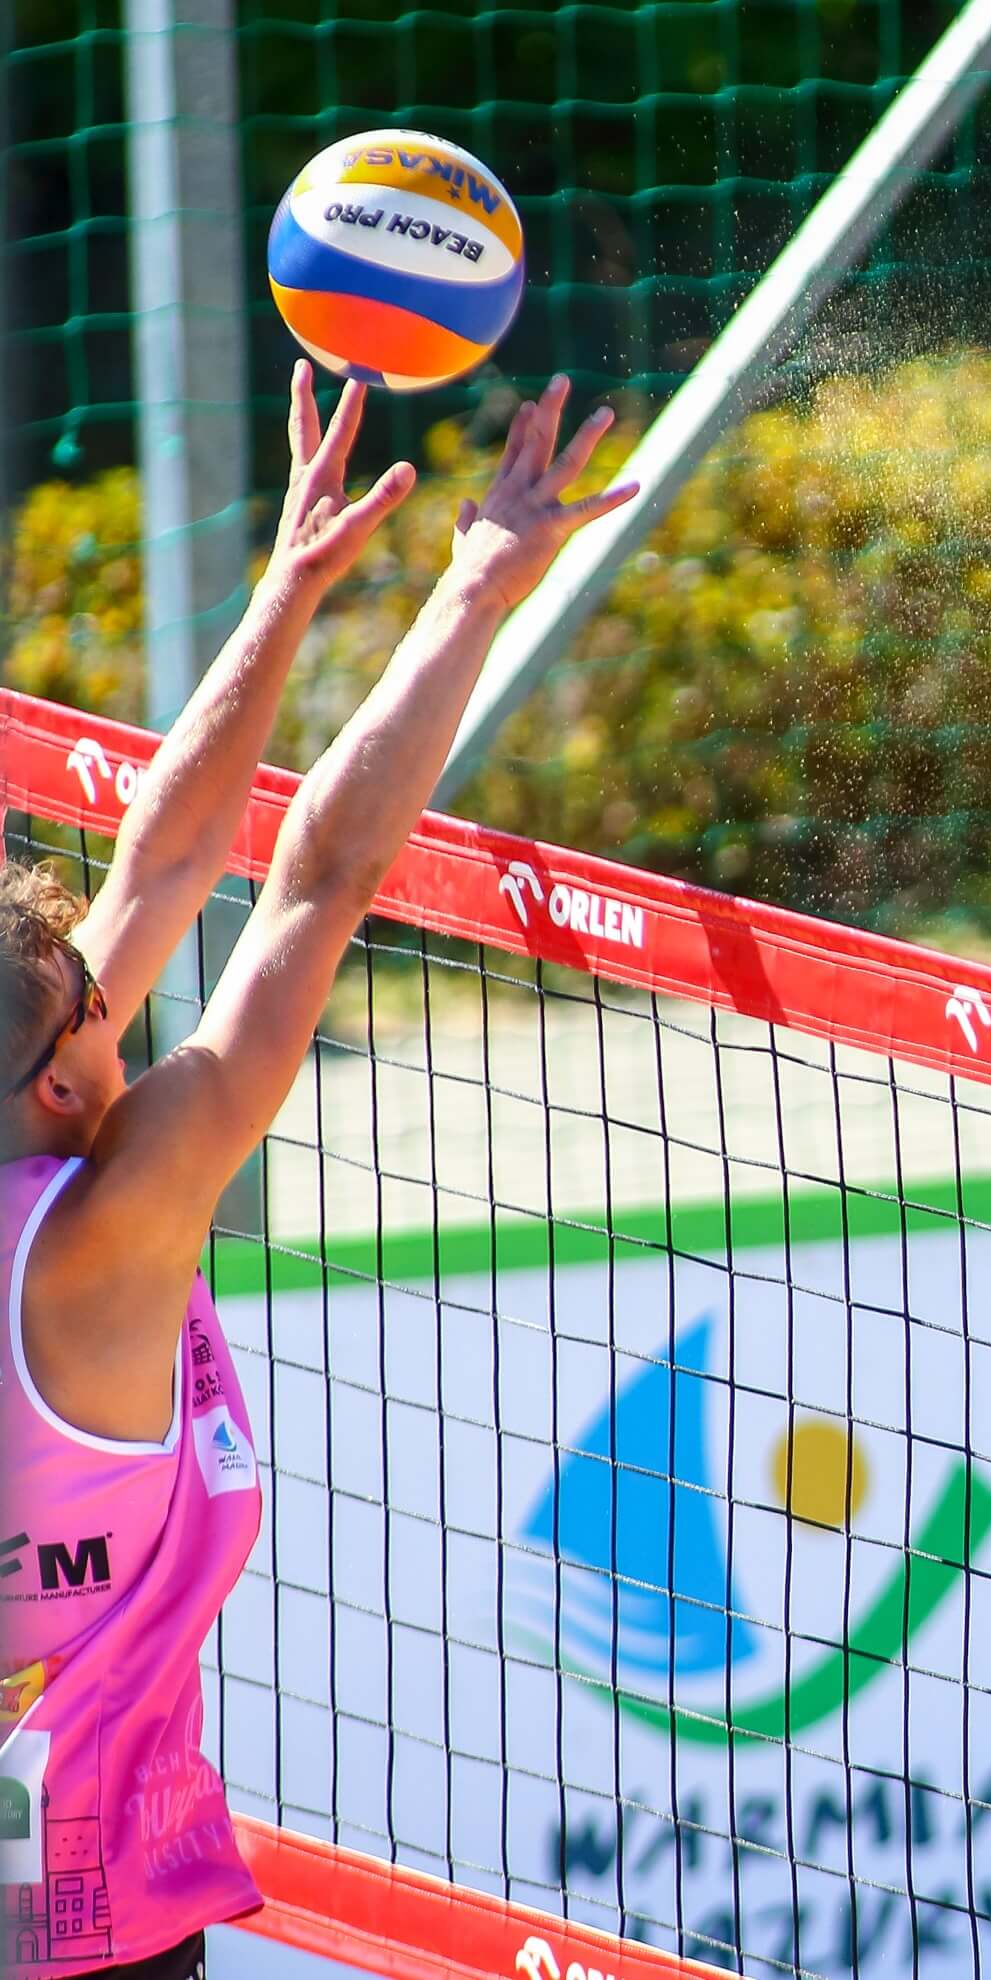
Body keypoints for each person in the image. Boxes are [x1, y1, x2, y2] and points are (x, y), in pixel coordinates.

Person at [0, 366, 634, 1980]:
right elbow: (319, 880)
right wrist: (476, 588)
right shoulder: (106, 1233)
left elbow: (163, 861)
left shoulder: (66, 1141)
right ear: (68, 1069)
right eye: (93, 996)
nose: (112, 984)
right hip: (72, 1937)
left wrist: (288, 585)